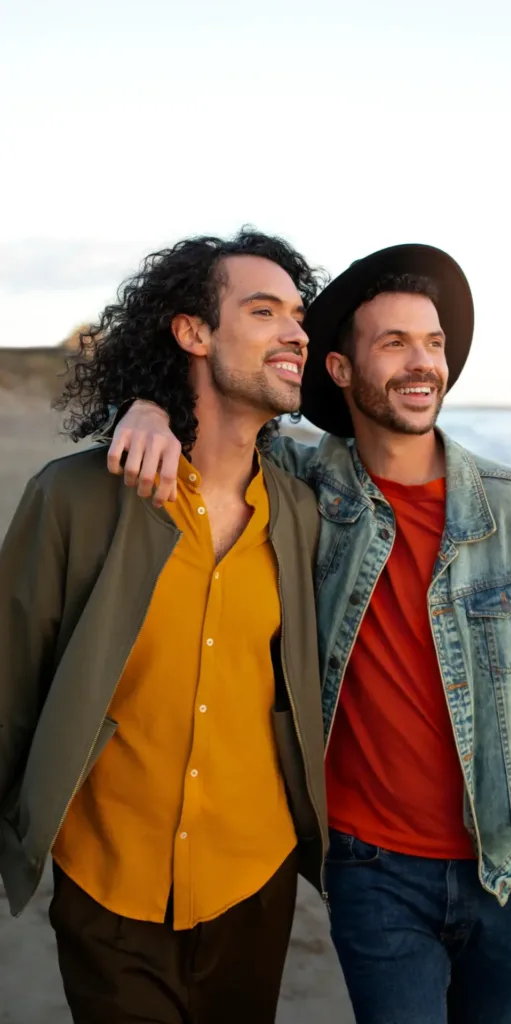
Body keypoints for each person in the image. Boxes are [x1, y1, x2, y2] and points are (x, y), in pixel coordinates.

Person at [107, 243, 511, 1024]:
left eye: (434, 343)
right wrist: (145, 408)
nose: (423, 364)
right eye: (395, 343)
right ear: (340, 372)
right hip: (370, 869)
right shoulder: (307, 486)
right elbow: (218, 422)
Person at [0, 229, 329, 1024]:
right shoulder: (75, 497)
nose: (295, 333)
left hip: (256, 879)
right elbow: (10, 681)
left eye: (299, 317)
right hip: (107, 881)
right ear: (192, 332)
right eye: (263, 311)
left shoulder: (305, 513)